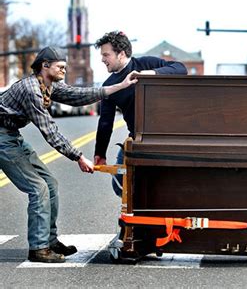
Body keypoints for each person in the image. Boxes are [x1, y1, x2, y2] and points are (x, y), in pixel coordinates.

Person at [0, 46, 138, 263]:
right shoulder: (31, 90)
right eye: (60, 67)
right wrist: (79, 157)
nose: (64, 71)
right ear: (45, 66)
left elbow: (77, 95)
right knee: (38, 188)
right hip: (2, 139)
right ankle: (38, 248)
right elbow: (50, 132)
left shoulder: (49, 85)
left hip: (11, 135)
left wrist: (118, 86)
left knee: (50, 184)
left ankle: (49, 241)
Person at [93, 31, 188, 197]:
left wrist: (149, 74)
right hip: (136, 138)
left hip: (165, 136)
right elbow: (105, 123)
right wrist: (100, 153)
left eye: (106, 55)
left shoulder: (146, 63)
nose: (102, 59)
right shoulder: (109, 85)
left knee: (164, 185)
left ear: (121, 54)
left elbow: (181, 68)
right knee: (119, 186)